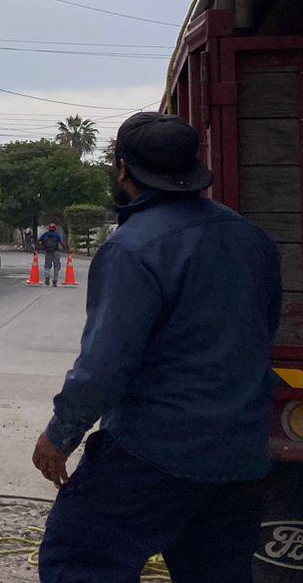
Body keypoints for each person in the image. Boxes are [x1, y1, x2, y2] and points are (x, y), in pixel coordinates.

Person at [32, 111, 281, 583]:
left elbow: (104, 365)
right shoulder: (251, 239)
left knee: (78, 560)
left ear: (124, 169)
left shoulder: (133, 248)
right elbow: (261, 333)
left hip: (154, 454)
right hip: (240, 457)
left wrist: (60, 436)